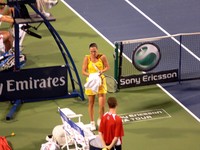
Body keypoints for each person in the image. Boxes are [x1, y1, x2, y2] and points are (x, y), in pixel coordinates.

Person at [82, 43, 110, 131]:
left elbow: (107, 67)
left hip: (101, 82)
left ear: (97, 50)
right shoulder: (87, 58)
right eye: (91, 52)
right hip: (91, 82)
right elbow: (83, 71)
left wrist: (101, 71)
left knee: (102, 105)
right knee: (91, 103)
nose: (93, 53)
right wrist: (92, 75)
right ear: (89, 51)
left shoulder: (102, 57)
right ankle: (92, 122)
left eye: (94, 51)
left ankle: (101, 121)